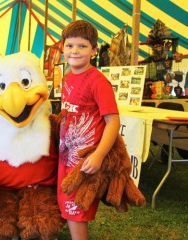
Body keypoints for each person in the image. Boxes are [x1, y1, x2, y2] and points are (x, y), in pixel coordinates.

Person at [58, 20, 120, 240]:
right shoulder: (67, 78)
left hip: (84, 161)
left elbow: (113, 121)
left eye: (82, 46)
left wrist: (99, 155)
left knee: (77, 213)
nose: (75, 50)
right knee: (67, 206)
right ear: (63, 48)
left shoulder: (98, 82)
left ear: (94, 51)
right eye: (70, 45)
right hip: (65, 157)